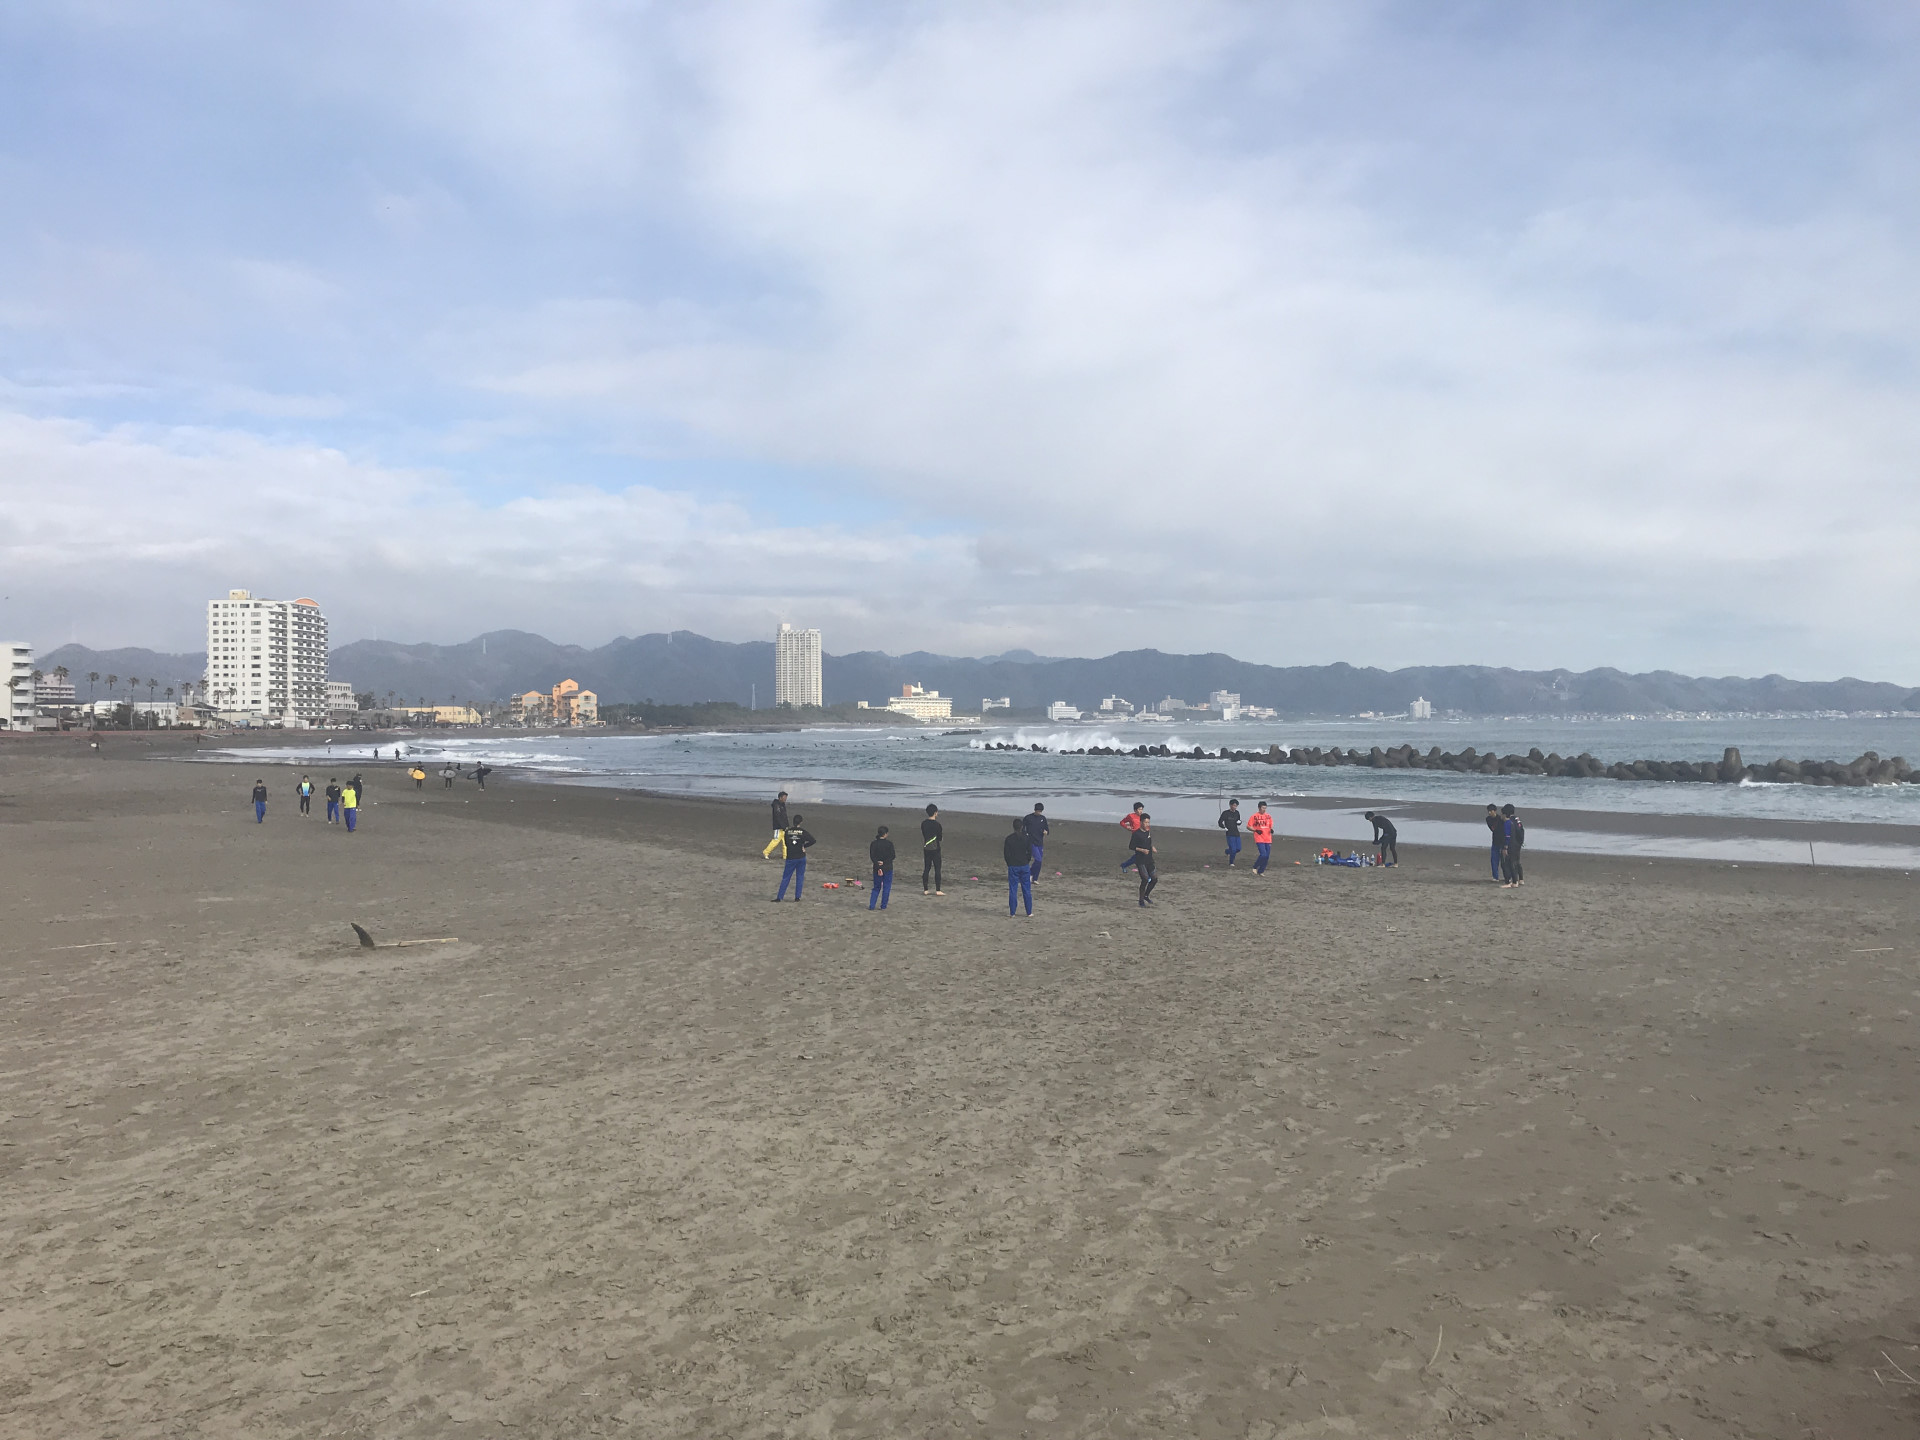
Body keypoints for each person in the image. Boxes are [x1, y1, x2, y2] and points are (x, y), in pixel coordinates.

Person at [774, 814, 815, 901]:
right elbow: (813, 840)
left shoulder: (787, 832)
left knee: (786, 877)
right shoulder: (803, 832)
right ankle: (797, 897)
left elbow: (786, 843)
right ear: (801, 822)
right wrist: (804, 846)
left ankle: (780, 897)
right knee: (800, 877)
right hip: (801, 857)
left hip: (791, 857)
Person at [1004, 818, 1034, 917]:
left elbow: (1006, 854)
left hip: (1013, 865)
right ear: (1022, 827)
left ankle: (1012, 912)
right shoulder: (1026, 838)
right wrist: (1026, 861)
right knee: (1026, 889)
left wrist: (1009, 863)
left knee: (1013, 889)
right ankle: (1029, 912)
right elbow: (1029, 852)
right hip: (1024, 865)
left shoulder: (1009, 839)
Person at [1130, 813, 1158, 905]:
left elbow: (1149, 842)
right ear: (1141, 822)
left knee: (1154, 879)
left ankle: (1146, 895)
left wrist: (1152, 847)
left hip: (1149, 859)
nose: (1147, 824)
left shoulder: (1148, 832)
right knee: (1145, 879)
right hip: (1140, 860)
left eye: (1148, 822)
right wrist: (1142, 850)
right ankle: (1141, 900)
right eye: (1145, 822)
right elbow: (1131, 846)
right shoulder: (1136, 834)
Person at [869, 825, 896, 910]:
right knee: (886, 887)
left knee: (876, 887)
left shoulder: (874, 844)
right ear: (885, 834)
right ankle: (883, 906)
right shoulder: (889, 844)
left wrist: (878, 865)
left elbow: (872, 856)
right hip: (887, 868)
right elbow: (892, 856)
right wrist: (884, 863)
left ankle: (872, 905)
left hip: (877, 868)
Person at [1022, 803, 1050, 884]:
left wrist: (1046, 832)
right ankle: (1029, 875)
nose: (1039, 812)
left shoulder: (1043, 818)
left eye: (1040, 811)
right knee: (1038, 859)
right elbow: (1022, 829)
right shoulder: (1028, 818)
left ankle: (1034, 878)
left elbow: (1047, 830)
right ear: (1035, 810)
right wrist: (1025, 836)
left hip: (1040, 842)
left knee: (1039, 862)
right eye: (1038, 811)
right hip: (1031, 842)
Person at [921, 804, 944, 895]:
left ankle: (925, 889)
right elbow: (940, 838)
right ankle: (938, 890)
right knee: (937, 868)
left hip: (927, 847)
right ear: (935, 813)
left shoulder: (924, 823)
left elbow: (924, 834)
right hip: (935, 848)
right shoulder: (937, 825)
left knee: (927, 868)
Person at [1246, 801, 1274, 874]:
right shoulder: (1254, 816)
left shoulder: (1268, 816)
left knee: (1267, 856)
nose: (1264, 810)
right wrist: (1255, 830)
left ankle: (1261, 871)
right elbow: (1248, 826)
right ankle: (1255, 866)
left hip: (1268, 838)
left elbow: (1270, 825)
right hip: (1259, 838)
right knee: (1263, 854)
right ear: (1259, 808)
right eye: (1263, 808)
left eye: (1265, 808)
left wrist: (1271, 830)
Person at [1501, 803, 1525, 887]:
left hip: (1512, 844)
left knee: (1510, 862)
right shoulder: (1517, 820)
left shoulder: (1509, 821)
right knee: (1517, 862)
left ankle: (1514, 881)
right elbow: (1521, 831)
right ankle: (1521, 879)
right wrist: (1520, 842)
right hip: (1518, 843)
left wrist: (1505, 846)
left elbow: (1509, 834)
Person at [1119, 802, 1146, 870]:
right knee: (1140, 853)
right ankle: (1138, 866)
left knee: (1141, 854)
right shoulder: (1131, 816)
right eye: (1139, 809)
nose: (1141, 811)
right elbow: (1122, 822)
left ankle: (1124, 865)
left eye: (1142, 809)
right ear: (1135, 810)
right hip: (1136, 837)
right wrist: (1127, 827)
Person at [763, 792, 790, 860]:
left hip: (784, 827)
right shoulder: (776, 805)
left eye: (786, 798)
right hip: (778, 827)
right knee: (775, 841)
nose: (785, 799)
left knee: (785, 842)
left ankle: (785, 855)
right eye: (784, 797)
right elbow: (777, 817)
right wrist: (782, 826)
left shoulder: (782, 805)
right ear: (780, 798)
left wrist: (786, 825)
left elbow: (784, 816)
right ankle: (766, 852)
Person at [1217, 799, 1243, 866]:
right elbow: (1220, 822)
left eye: (1236, 806)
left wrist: (1239, 822)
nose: (1235, 807)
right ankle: (1231, 862)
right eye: (1234, 805)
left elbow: (1238, 821)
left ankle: (1227, 851)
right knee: (1233, 849)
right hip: (1229, 833)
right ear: (1230, 805)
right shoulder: (1225, 813)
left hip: (1236, 833)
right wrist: (1224, 827)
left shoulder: (1237, 813)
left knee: (1238, 849)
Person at [1485, 803, 1504, 881]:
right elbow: (1493, 829)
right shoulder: (1488, 819)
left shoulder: (1501, 819)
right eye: (1488, 811)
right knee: (1494, 860)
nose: (1489, 812)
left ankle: (1507, 876)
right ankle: (1495, 877)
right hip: (1495, 841)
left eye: (1491, 811)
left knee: (1504, 861)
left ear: (1495, 811)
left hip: (1502, 841)